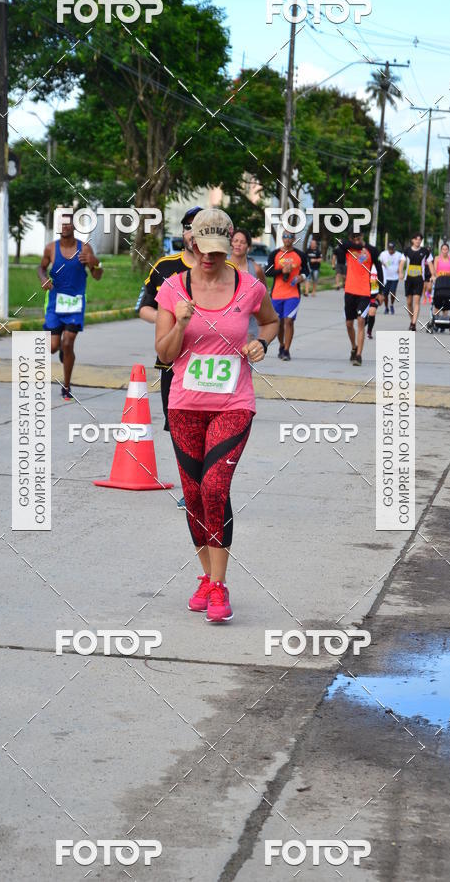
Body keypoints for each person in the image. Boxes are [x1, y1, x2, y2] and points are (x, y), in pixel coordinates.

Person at [154, 208, 279, 623]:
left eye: (219, 251)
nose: (210, 258)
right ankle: (206, 578)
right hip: (185, 403)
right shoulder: (173, 288)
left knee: (213, 486)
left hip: (233, 403)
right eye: (203, 250)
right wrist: (181, 322)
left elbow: (271, 321)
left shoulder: (250, 287)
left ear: (230, 245)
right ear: (191, 244)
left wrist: (261, 343)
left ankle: (221, 586)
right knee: (192, 496)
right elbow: (164, 354)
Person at [136, 207, 203, 508]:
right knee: (178, 427)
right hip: (172, 362)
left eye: (201, 227)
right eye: (189, 227)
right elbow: (143, 307)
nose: (193, 233)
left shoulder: (226, 270)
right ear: (183, 233)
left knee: (208, 424)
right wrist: (169, 319)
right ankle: (192, 485)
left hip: (208, 362)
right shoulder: (164, 267)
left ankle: (207, 482)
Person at [38, 218, 103, 400]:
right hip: (54, 304)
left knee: (68, 343)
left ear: (75, 226)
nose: (65, 226)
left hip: (75, 304)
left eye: (68, 223)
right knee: (52, 347)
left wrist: (95, 262)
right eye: (62, 223)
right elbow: (41, 268)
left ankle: (66, 386)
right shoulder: (51, 248)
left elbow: (97, 275)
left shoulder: (85, 249)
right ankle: (61, 351)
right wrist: (43, 279)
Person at [335, 231, 383, 365]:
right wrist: (355, 245)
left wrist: (381, 292)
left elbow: (379, 270)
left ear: (363, 236)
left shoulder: (372, 251)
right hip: (349, 291)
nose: (356, 240)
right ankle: (354, 347)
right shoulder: (347, 248)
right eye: (353, 238)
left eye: (359, 237)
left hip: (364, 292)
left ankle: (359, 355)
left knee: (361, 321)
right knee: (349, 324)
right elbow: (339, 242)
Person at [265, 230, 308, 360]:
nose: (288, 239)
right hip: (277, 294)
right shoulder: (275, 254)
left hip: (293, 294)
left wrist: (302, 276)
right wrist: (281, 270)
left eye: (290, 237)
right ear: (282, 238)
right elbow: (267, 271)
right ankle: (282, 345)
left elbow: (307, 270)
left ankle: (287, 351)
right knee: (279, 322)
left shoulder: (300, 254)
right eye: (285, 236)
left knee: (289, 321)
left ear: (294, 239)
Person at [230, 228, 267, 341]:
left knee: (247, 357)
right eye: (235, 241)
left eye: (242, 242)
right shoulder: (221, 266)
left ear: (248, 247)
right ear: (231, 243)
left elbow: (264, 298)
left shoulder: (256, 270)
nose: (238, 244)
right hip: (224, 324)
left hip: (249, 326)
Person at [399, 233, 434, 332]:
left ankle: (413, 324)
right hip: (408, 279)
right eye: (416, 239)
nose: (418, 241)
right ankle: (412, 320)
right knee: (409, 303)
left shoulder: (425, 251)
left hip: (419, 279)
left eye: (420, 239)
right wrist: (401, 272)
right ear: (412, 240)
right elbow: (402, 263)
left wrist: (433, 275)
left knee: (416, 301)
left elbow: (430, 264)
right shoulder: (407, 251)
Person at [378, 241, 402, 314]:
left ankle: (391, 305)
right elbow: (378, 260)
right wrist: (382, 264)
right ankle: (386, 308)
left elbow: (402, 262)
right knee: (385, 294)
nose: (391, 250)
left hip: (394, 277)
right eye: (389, 249)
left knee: (393, 292)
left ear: (394, 248)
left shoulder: (399, 254)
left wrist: (400, 269)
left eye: (392, 249)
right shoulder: (383, 254)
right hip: (385, 277)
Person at [365, 262, 382, 339]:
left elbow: (383, 280)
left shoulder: (379, 266)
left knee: (372, 312)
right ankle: (362, 327)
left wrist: (381, 294)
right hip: (364, 294)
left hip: (375, 294)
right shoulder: (363, 263)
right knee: (363, 317)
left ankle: (369, 331)